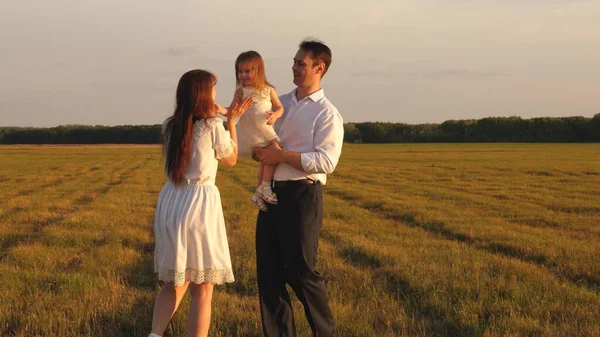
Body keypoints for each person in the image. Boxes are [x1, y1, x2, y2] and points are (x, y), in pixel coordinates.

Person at [149, 69, 252, 337]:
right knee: (203, 286)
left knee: (174, 281)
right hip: (198, 204)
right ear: (205, 95)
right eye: (213, 90)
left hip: (172, 201)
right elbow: (231, 160)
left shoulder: (170, 125)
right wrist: (231, 122)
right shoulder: (212, 127)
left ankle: (154, 335)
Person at [253, 39, 344, 337]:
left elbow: (326, 161)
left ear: (319, 68)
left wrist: (281, 156)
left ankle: (324, 333)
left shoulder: (328, 114)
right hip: (273, 193)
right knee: (269, 275)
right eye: (293, 62)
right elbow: (260, 142)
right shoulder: (279, 103)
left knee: (302, 272)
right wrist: (259, 152)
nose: (293, 67)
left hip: (303, 195)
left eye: (300, 63)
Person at [221, 50, 284, 212]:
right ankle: (264, 186)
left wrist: (276, 115)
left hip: (265, 127)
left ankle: (259, 191)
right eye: (240, 72)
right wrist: (219, 109)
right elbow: (231, 110)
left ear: (259, 70)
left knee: (268, 158)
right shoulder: (241, 92)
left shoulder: (268, 89)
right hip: (251, 131)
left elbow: (280, 107)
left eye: (247, 71)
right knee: (273, 155)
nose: (243, 75)